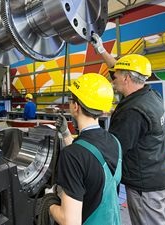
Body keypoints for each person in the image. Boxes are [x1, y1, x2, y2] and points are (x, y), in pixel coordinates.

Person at [91, 33, 165, 225]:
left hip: (145, 186)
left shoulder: (133, 111)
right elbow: (117, 67)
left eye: (116, 76)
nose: (112, 79)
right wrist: (101, 50)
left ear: (126, 78)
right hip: (156, 174)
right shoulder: (149, 94)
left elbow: (114, 148)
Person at [49, 73, 122, 224]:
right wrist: (65, 132)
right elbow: (86, 157)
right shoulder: (114, 141)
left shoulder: (72, 155)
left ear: (75, 106)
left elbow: (70, 221)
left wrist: (47, 202)